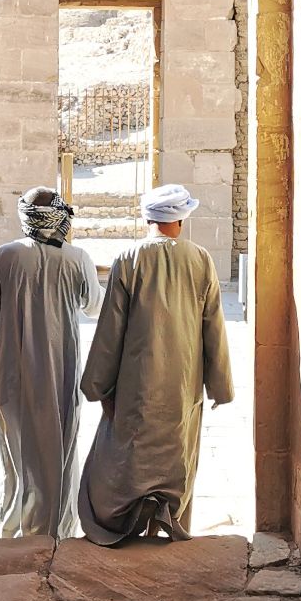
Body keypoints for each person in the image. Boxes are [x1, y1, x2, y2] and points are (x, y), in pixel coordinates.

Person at [77, 183, 234, 545]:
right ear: (181, 219)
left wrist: (97, 386)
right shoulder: (200, 259)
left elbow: (110, 330)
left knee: (130, 457)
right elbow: (213, 326)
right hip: (183, 383)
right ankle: (169, 521)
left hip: (137, 384)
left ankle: (127, 524)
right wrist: (220, 386)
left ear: (148, 218)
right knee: (177, 455)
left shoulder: (129, 259)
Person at [0, 187, 101, 538]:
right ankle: (57, 531)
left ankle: (15, 530)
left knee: (17, 456)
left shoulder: (6, 256)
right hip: (60, 371)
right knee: (61, 451)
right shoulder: (77, 258)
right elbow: (94, 305)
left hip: (13, 371)